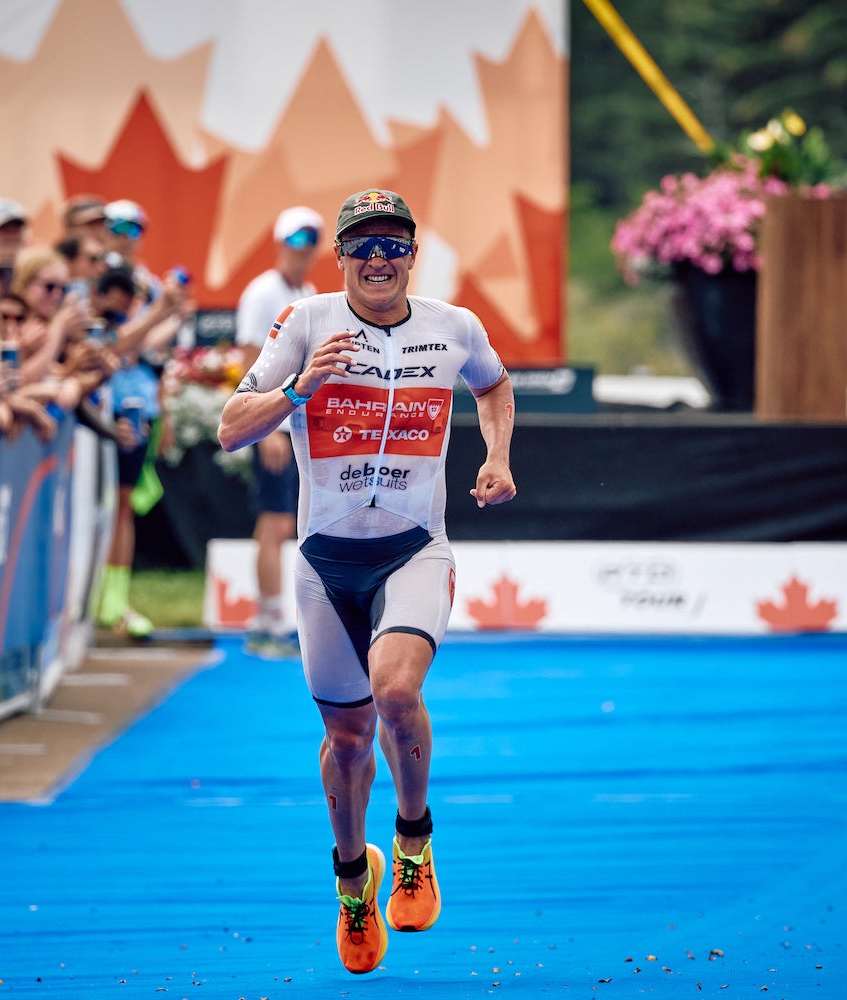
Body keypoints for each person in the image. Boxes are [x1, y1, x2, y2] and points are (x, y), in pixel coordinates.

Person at [217, 188, 517, 975]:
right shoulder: (306, 322)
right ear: (340, 257)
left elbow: (493, 384)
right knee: (347, 742)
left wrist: (496, 456)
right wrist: (297, 390)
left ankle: (414, 839)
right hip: (325, 561)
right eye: (363, 246)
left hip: (416, 547)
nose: (378, 259)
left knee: (394, 690)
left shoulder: (456, 328)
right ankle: (355, 884)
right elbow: (228, 426)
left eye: (394, 245)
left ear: (412, 256)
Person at [234, 206, 324, 657]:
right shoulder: (263, 292)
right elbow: (251, 361)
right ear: (279, 244)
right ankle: (266, 621)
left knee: (283, 522)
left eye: (309, 246)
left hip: (294, 425)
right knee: (273, 523)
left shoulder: (306, 291)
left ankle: (270, 617)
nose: (302, 254)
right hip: (273, 422)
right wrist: (264, 429)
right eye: (295, 244)